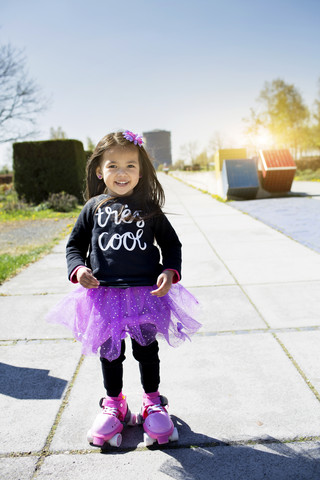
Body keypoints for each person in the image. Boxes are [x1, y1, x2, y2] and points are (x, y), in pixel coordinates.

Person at [47, 130, 201, 448]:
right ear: (99, 171)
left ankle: (152, 401)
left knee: (146, 349)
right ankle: (115, 403)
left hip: (146, 294)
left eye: (130, 165)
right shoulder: (92, 207)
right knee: (110, 352)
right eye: (113, 165)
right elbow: (74, 245)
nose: (122, 173)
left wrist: (170, 271)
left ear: (141, 171)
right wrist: (78, 269)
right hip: (104, 296)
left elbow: (172, 245)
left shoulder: (149, 207)